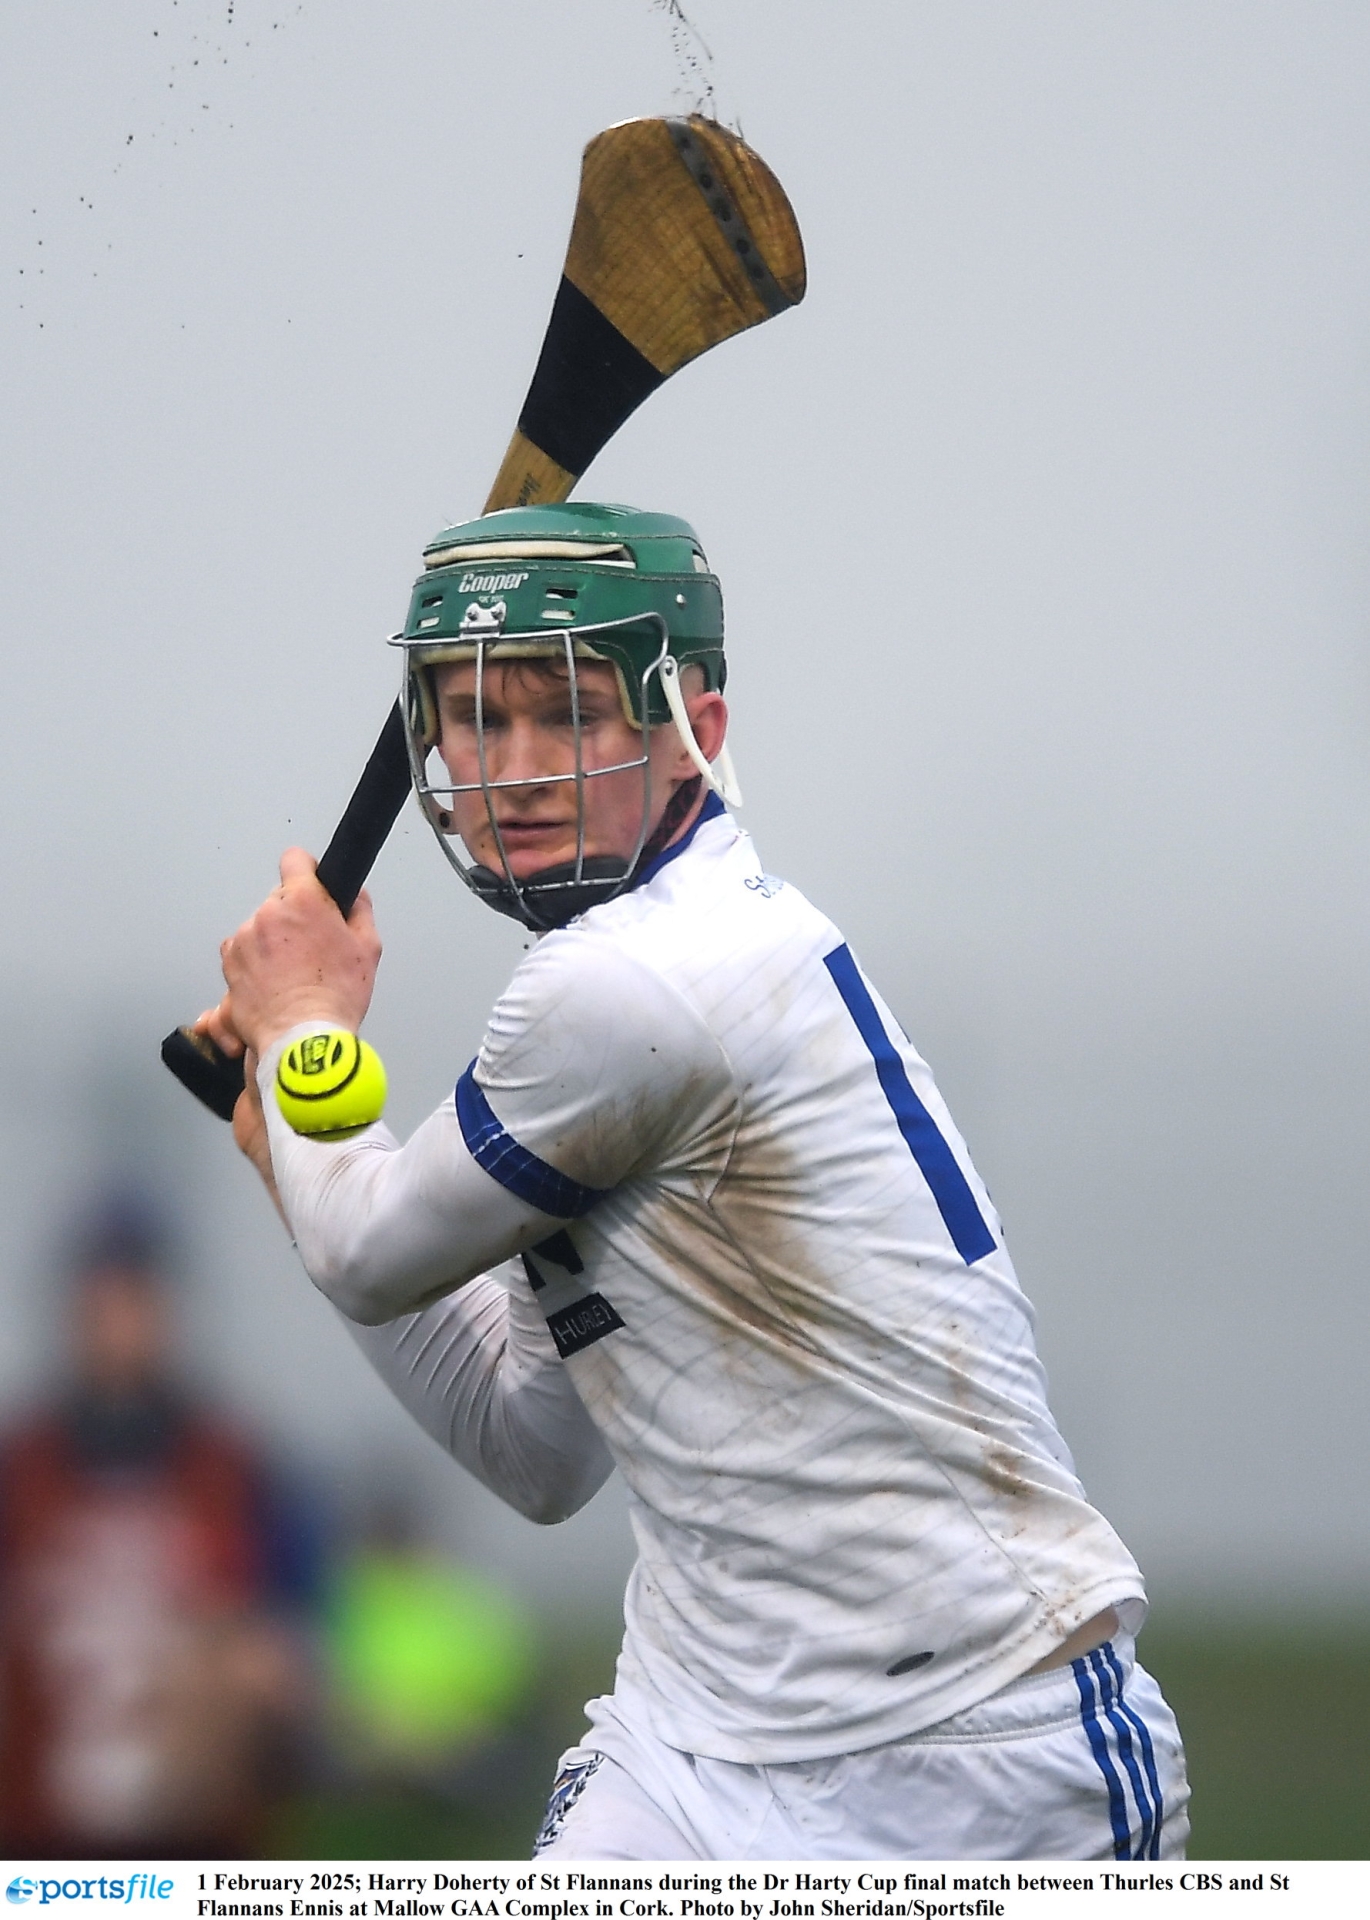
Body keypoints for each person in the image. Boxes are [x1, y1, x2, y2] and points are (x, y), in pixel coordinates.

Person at [198, 501, 1190, 1860]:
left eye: (571, 714)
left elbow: (365, 1253)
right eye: (477, 718)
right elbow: (533, 1448)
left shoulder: (630, 986)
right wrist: (298, 1151)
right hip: (695, 1745)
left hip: (969, 1753)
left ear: (694, 733)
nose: (518, 771)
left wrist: (301, 1028)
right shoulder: (616, 986)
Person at [0, 1196, 320, 1859]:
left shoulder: (235, 1470)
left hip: (200, 1843)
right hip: (40, 1843)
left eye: (134, 1303)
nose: (118, 1327)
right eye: (102, 1306)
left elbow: (292, 1647)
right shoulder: (21, 1473)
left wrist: (242, 1670)